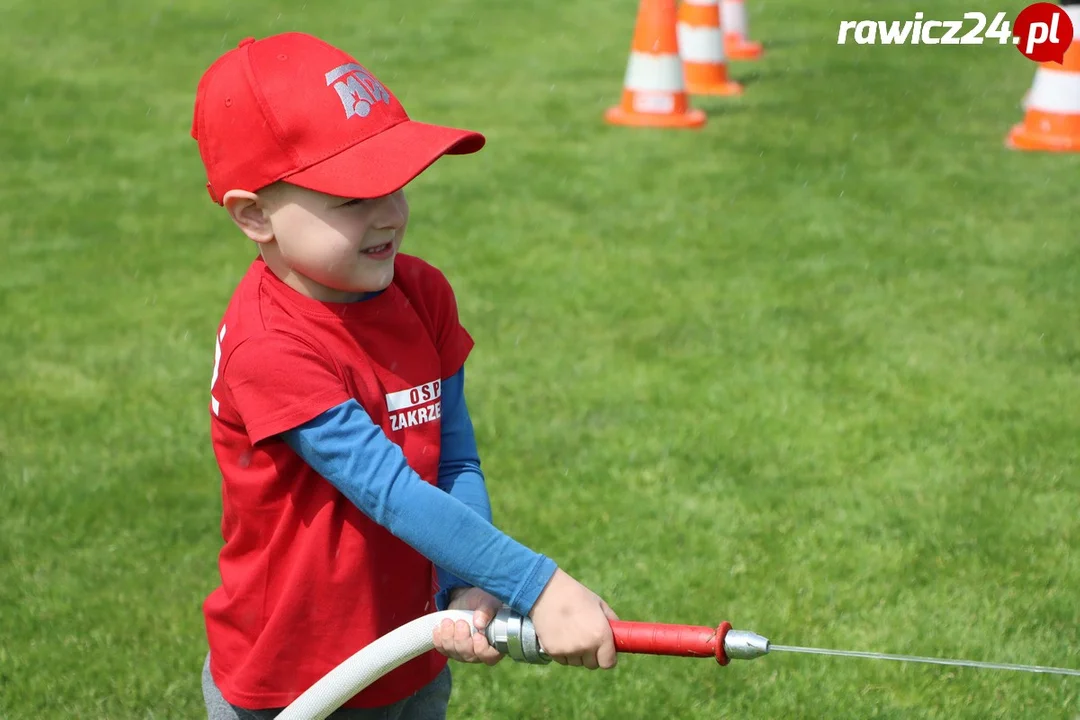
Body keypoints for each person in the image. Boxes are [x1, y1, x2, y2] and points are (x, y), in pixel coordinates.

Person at [190, 32, 619, 720]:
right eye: (352, 198)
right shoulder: (269, 346)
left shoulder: (422, 294)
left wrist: (465, 581)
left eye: (395, 184)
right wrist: (537, 585)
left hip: (405, 656)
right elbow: (387, 491)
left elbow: (453, 456)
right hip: (293, 682)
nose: (390, 213)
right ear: (254, 215)